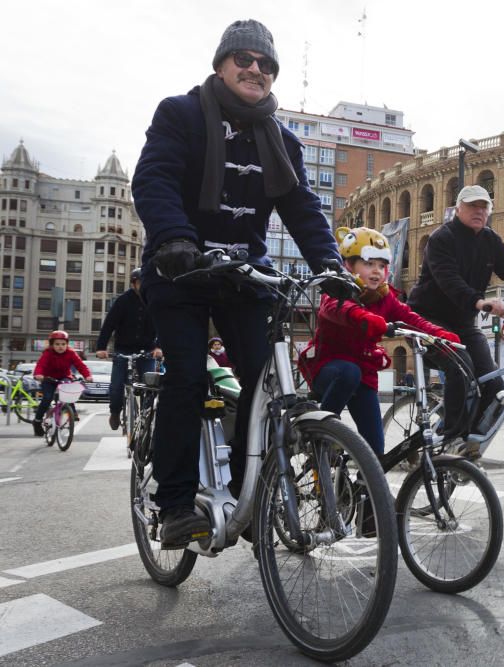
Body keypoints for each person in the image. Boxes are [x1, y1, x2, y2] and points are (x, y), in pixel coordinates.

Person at [132, 19, 342, 549]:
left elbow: (303, 210)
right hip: (180, 268)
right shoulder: (180, 113)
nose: (256, 70)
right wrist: (176, 238)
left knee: (265, 381)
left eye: (266, 64)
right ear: (221, 65)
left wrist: (331, 265)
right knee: (187, 376)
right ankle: (176, 502)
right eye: (244, 60)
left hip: (243, 272)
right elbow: (153, 178)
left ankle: (246, 487)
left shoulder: (282, 141)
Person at [407, 184, 504, 446]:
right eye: (472, 206)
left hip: (462, 323)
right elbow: (449, 280)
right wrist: (479, 302)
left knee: (494, 387)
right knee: (460, 365)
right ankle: (451, 440)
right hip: (428, 320)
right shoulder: (441, 238)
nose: (479, 211)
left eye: (484, 207)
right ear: (458, 208)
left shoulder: (490, 241)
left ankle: (469, 441)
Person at [298, 227, 459, 456]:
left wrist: (440, 335)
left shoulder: (385, 297)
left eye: (382, 266)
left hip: (364, 374)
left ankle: (361, 489)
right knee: (349, 373)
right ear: (349, 265)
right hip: (329, 368)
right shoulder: (336, 290)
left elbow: (410, 318)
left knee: (375, 450)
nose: (376, 272)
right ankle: (320, 434)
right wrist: (367, 319)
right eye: (369, 264)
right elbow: (337, 309)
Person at [95, 268, 162, 431]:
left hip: (146, 350)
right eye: (138, 283)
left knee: (150, 385)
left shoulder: (153, 300)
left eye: (144, 282)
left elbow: (162, 325)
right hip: (122, 350)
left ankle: (147, 415)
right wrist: (101, 348)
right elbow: (109, 324)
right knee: (116, 386)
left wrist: (159, 347)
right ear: (133, 284)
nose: (141, 286)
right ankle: (115, 412)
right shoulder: (122, 301)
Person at [32, 331, 93, 436]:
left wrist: (87, 375)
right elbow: (40, 365)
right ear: (52, 345)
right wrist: (38, 374)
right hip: (48, 379)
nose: (60, 346)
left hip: (64, 377)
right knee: (47, 398)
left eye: (63, 344)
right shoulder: (48, 353)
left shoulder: (71, 353)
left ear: (67, 344)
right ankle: (37, 421)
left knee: (69, 390)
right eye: (57, 344)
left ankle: (72, 411)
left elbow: (81, 365)